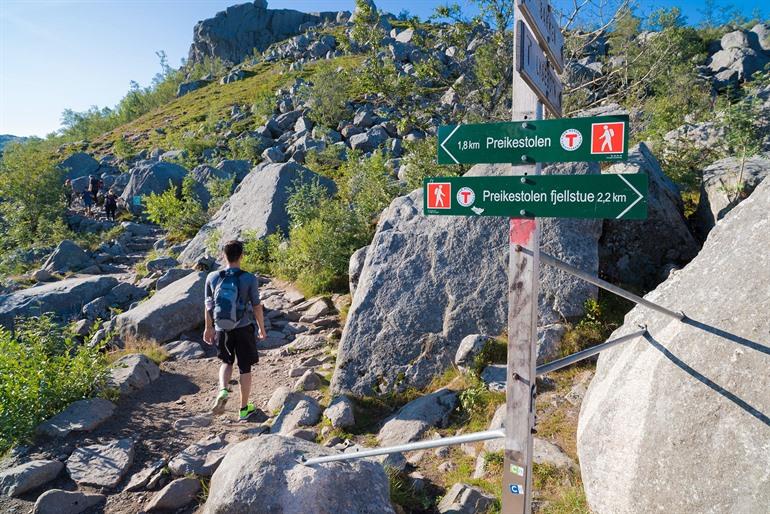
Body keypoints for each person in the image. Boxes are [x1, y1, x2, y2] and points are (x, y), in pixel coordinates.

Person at [203, 240, 267, 421]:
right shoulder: (249, 278)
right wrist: (262, 329)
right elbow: (256, 306)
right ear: (241, 256)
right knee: (245, 367)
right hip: (243, 327)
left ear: (223, 255)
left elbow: (208, 305)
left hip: (222, 328)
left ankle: (223, 389)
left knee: (226, 362)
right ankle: (244, 409)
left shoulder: (212, 277)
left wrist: (209, 328)